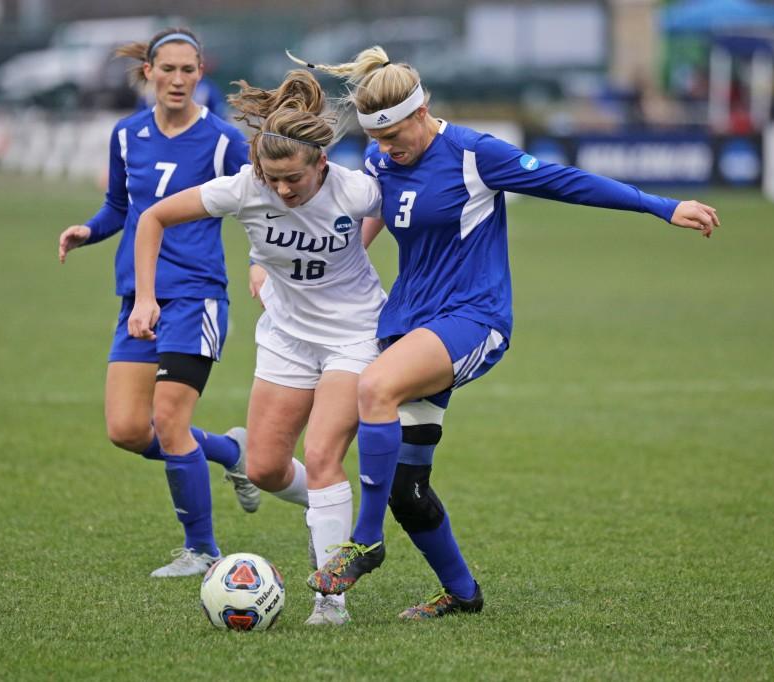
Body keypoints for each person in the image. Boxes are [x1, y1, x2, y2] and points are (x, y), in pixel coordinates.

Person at [296, 46, 720, 619]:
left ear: (423, 113)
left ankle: (365, 542)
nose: (387, 148)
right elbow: (365, 227)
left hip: (473, 317)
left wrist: (660, 205)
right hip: (407, 321)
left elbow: (566, 181)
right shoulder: (380, 164)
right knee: (408, 489)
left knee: (375, 389)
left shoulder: (475, 153)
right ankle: (463, 595)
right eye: (378, 139)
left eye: (395, 135)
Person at [128, 70, 387, 625]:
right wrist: (144, 298)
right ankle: (326, 508)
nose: (284, 190)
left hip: (355, 334)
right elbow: (153, 218)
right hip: (286, 337)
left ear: (320, 162)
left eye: (293, 178)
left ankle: (331, 598)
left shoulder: (356, 188)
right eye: (273, 179)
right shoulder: (245, 187)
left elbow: (391, 207)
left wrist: (354, 253)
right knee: (268, 468)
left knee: (321, 457)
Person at [57, 28, 260, 578]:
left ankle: (202, 550)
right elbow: (120, 205)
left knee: (170, 420)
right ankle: (227, 452)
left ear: (200, 74)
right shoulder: (126, 135)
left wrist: (260, 264)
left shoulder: (222, 141)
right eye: (166, 69)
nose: (177, 80)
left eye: (188, 70)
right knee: (126, 429)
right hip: (137, 300)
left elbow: (259, 206)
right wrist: (89, 230)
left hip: (195, 297)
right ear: (147, 71)